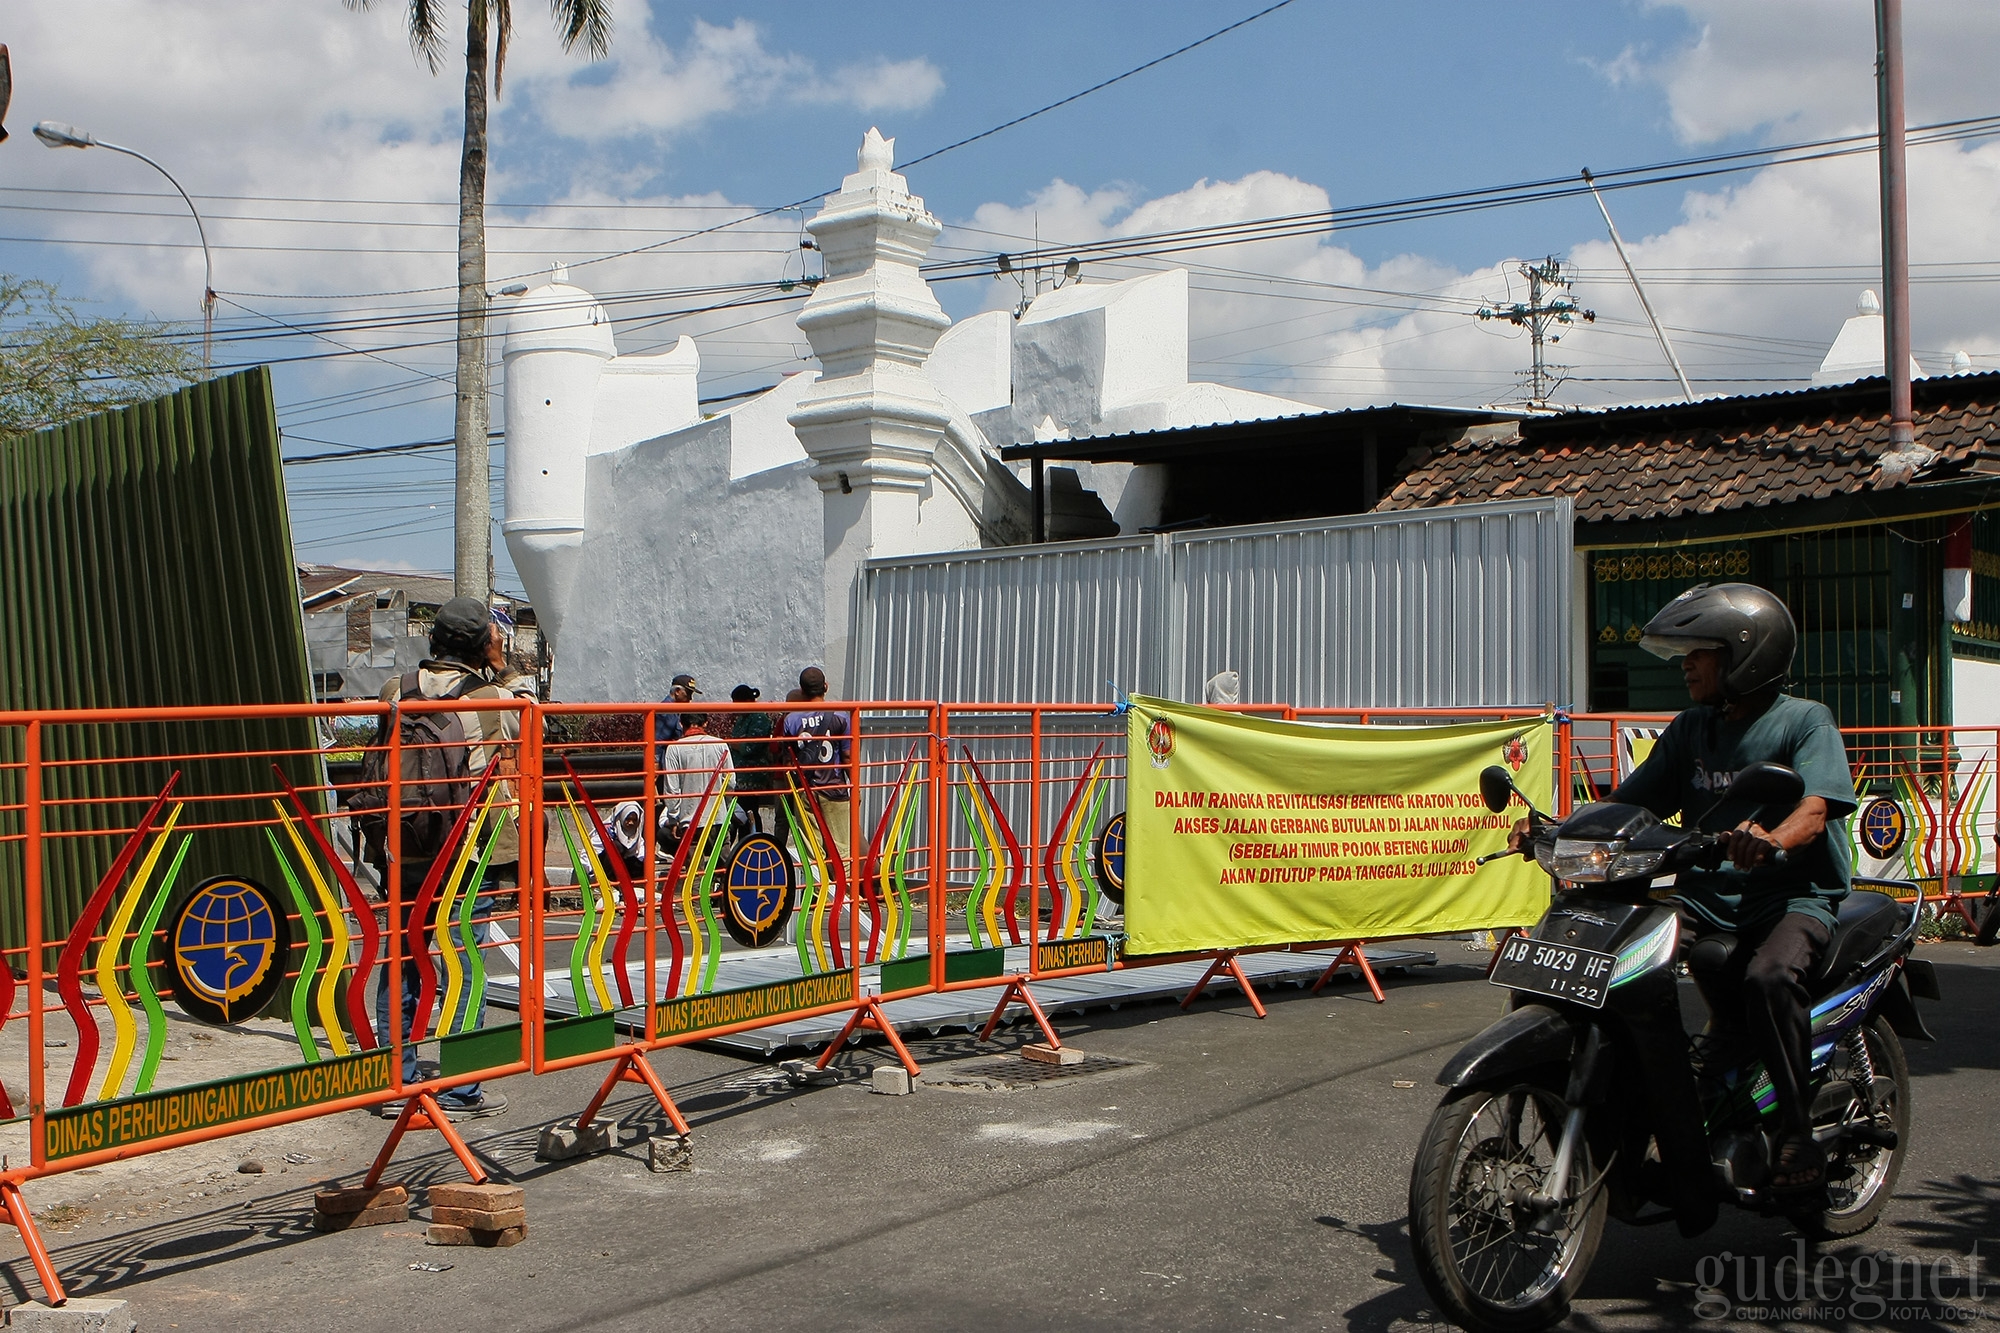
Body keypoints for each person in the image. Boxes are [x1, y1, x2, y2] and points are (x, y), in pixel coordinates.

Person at [1520, 582, 1855, 1197]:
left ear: (1746, 655)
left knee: (1768, 977)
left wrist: (1773, 840)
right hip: (1706, 895)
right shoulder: (1692, 728)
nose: (1687, 665)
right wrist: (1556, 827)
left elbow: (1815, 809)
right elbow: (1627, 802)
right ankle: (1659, 1102)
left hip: (1790, 898)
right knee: (1621, 962)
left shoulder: (1805, 721)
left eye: (1700, 652)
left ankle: (1796, 1129)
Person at [374, 597, 517, 1120]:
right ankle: (460, 1089)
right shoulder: (494, 700)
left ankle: (397, 1083)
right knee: (464, 964)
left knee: (403, 961)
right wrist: (503, 663)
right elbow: (531, 735)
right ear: (482, 644)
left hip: (404, 844)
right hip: (463, 851)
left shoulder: (396, 689)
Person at [783, 666, 852, 867]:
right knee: (842, 848)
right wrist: (855, 787)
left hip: (806, 788)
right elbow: (847, 756)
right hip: (835, 787)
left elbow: (788, 760)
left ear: (801, 691)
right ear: (826, 687)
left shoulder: (791, 720)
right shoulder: (841, 716)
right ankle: (845, 892)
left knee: (812, 850)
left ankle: (820, 892)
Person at [660, 711, 735, 844]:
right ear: (705, 723)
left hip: (688, 819)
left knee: (693, 862)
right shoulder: (720, 744)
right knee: (723, 861)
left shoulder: (674, 748)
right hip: (718, 815)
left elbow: (672, 789)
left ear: (681, 723)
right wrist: (726, 807)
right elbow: (730, 782)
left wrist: (673, 818)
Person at [726, 684, 784, 835]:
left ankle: (753, 840)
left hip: (753, 775)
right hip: (740, 774)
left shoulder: (759, 718)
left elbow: (752, 745)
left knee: (749, 809)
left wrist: (737, 744)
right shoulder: (742, 719)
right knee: (740, 809)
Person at [653, 672, 699, 765]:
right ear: (677, 691)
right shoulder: (667, 711)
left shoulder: (673, 710)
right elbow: (658, 741)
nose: (690, 698)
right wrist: (655, 763)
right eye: (688, 693)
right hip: (664, 762)